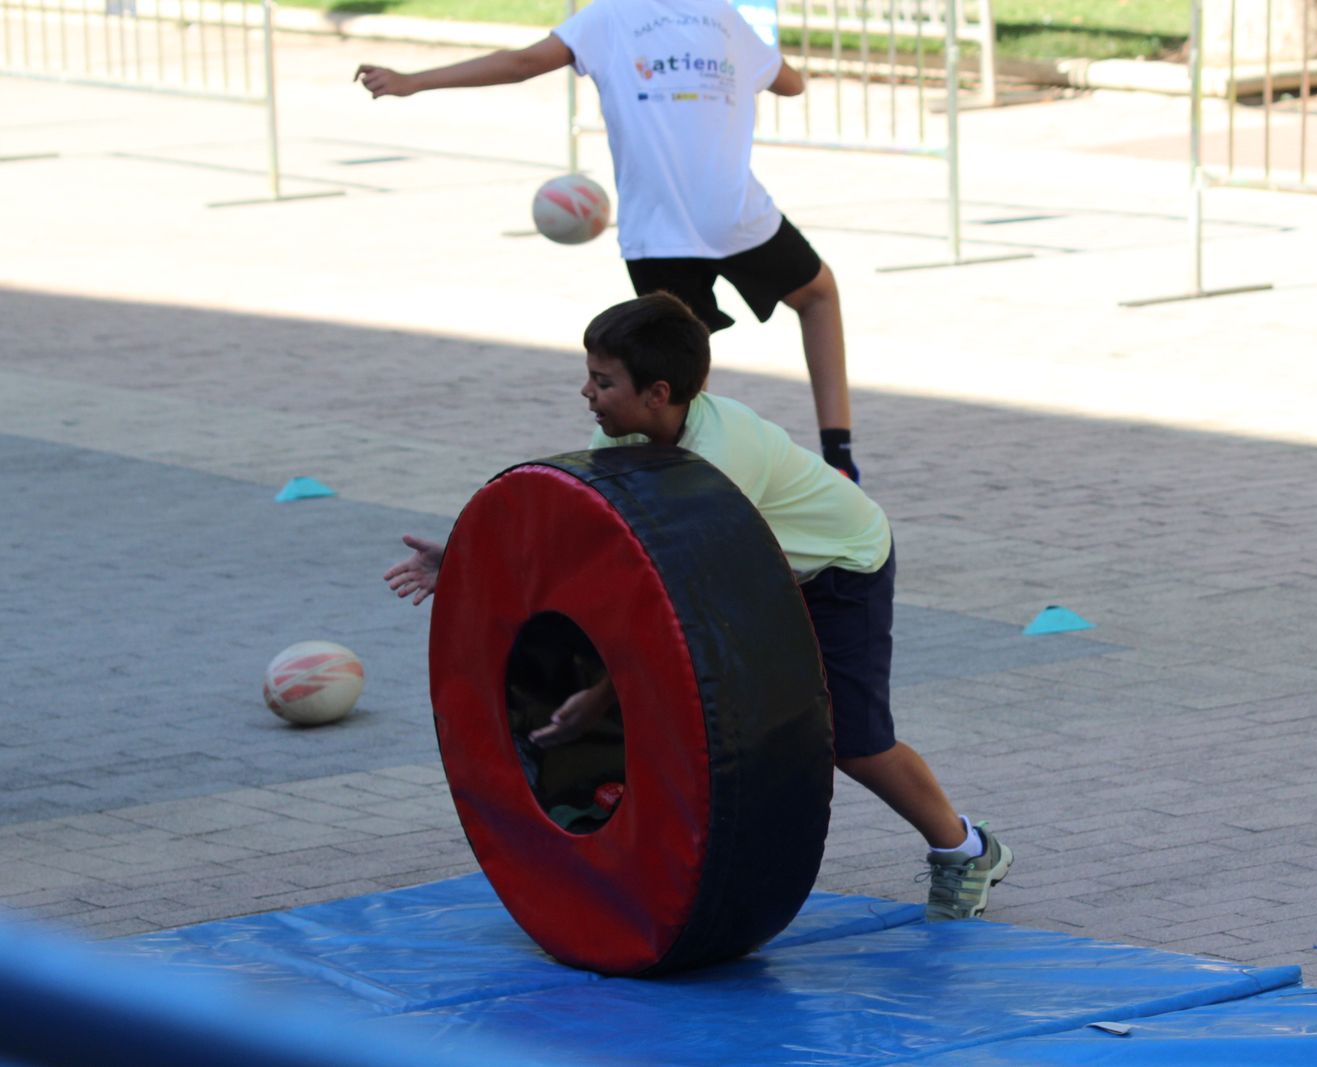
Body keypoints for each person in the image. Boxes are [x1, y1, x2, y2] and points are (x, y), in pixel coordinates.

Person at [384, 292, 1012, 921]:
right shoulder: (624, 433)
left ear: (658, 393)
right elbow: (580, 546)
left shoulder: (718, 465)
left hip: (839, 567)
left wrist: (597, 698)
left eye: (603, 382)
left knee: (854, 741)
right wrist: (468, 562)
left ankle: (965, 850)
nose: (586, 393)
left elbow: (664, 606)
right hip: (754, 569)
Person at [355, 0, 860, 481]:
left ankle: (683, 477)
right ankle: (838, 455)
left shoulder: (609, 15)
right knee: (817, 296)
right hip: (736, 215)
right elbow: (791, 85)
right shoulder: (722, 16)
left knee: (681, 368)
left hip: (656, 231)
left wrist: (412, 82)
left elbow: (524, 62)